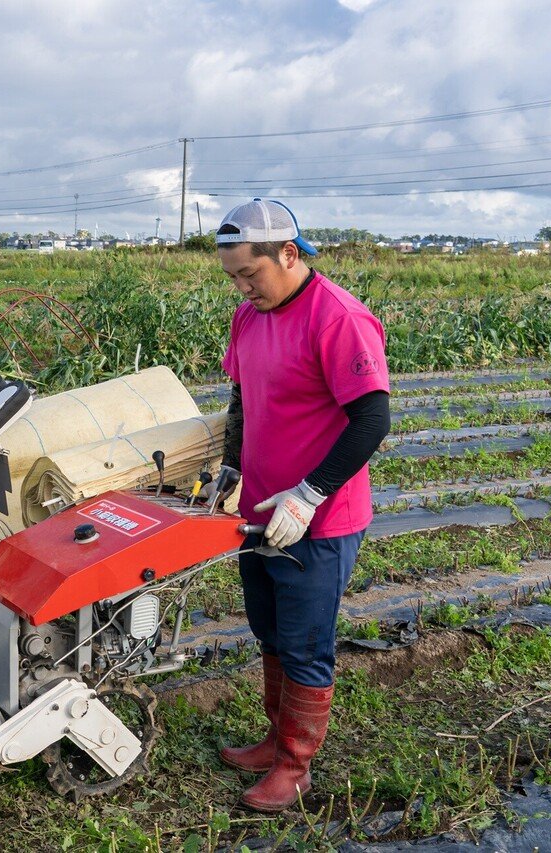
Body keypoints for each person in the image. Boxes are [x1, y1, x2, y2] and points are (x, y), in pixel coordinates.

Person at [210, 199, 391, 812]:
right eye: (232, 275)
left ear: (289, 253)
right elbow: (241, 400)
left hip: (318, 518)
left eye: (249, 274)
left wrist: (311, 493)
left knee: (306, 641)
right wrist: (232, 468)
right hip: (260, 509)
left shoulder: (338, 318)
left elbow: (372, 419)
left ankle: (295, 765)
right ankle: (273, 738)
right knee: (269, 632)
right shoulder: (247, 317)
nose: (241, 287)